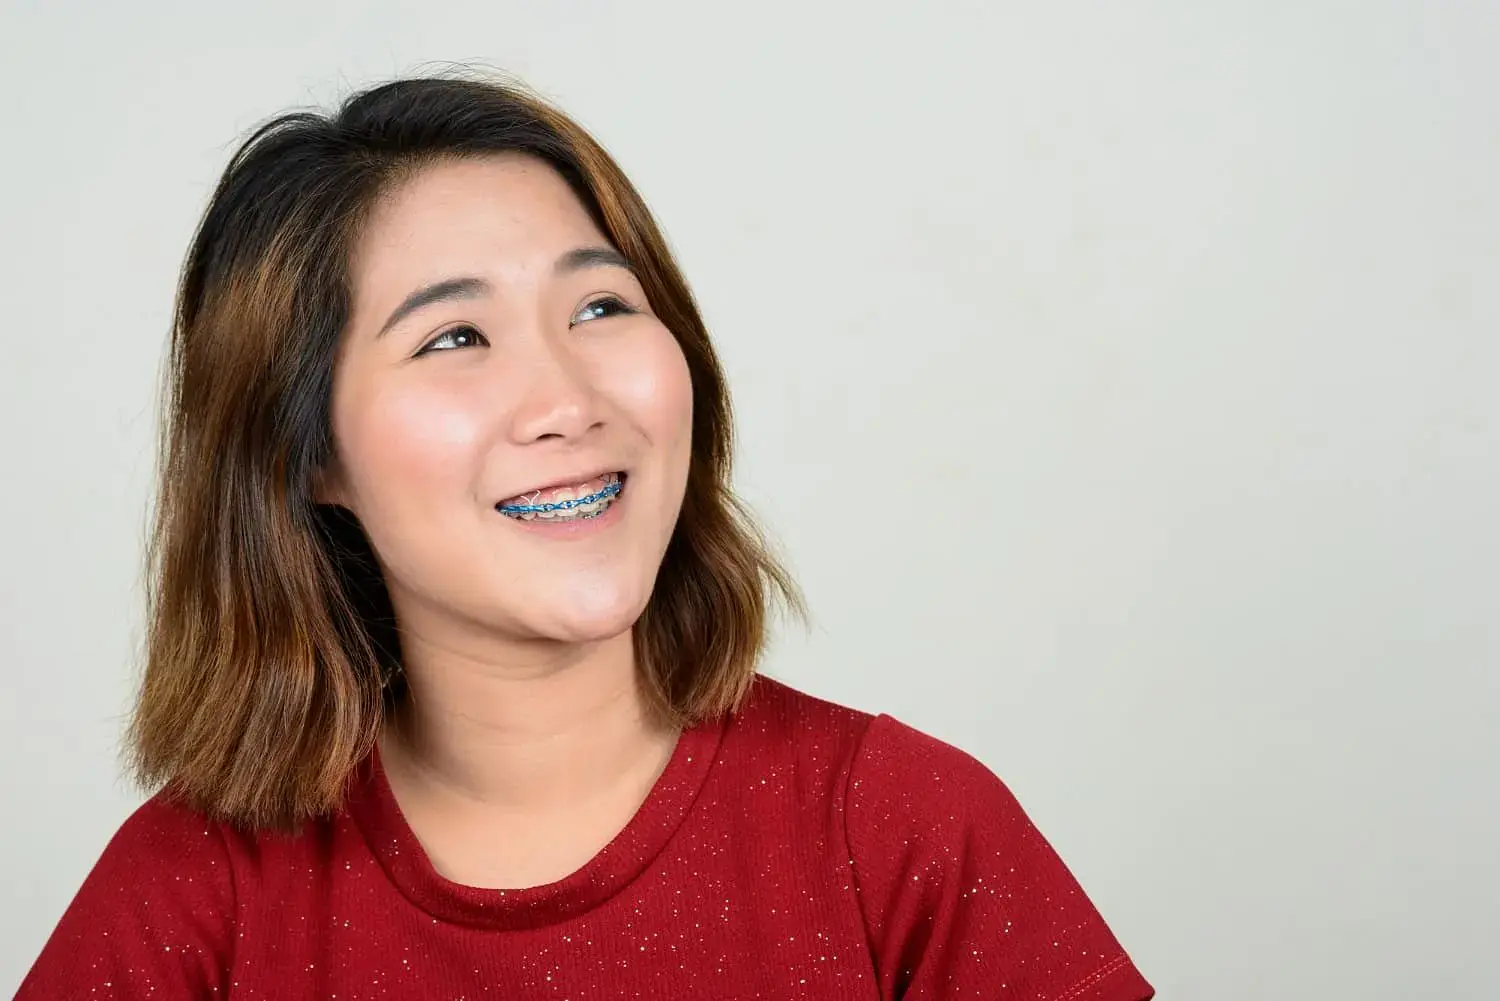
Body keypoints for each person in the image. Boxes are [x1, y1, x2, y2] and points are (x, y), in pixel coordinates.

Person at [19, 74, 1153, 1000]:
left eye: (603, 307)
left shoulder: (900, 827)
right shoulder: (189, 901)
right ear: (310, 454)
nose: (566, 396)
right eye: (456, 335)